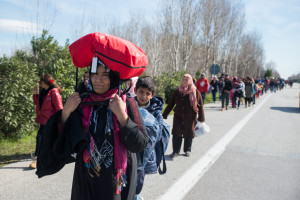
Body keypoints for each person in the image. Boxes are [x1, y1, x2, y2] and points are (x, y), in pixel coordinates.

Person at [36, 61, 149, 200]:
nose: (98, 80)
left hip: (115, 180)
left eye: (105, 75)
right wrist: (65, 112)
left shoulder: (126, 102)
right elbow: (64, 140)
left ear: (114, 78)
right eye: (94, 74)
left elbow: (140, 144)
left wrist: (122, 116)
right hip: (85, 178)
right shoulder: (82, 102)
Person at [133, 76, 165, 200]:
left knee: (139, 177)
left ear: (153, 95)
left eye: (148, 93)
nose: (144, 96)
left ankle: (135, 195)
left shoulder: (156, 112)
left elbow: (157, 134)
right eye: (141, 92)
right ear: (135, 90)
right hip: (128, 148)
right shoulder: (128, 105)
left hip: (145, 152)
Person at [163, 74, 205, 158]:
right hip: (178, 116)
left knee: (189, 133)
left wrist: (201, 118)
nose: (184, 81)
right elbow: (171, 103)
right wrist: (164, 114)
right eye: (183, 80)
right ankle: (175, 151)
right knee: (176, 133)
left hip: (190, 117)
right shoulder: (178, 91)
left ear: (190, 81)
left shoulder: (196, 92)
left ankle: (187, 150)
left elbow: (200, 106)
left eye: (186, 80)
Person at [30, 74, 63, 169]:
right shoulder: (43, 91)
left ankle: (38, 159)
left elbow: (59, 108)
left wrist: (59, 122)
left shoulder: (54, 93)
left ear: (44, 82)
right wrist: (35, 94)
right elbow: (38, 104)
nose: (39, 83)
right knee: (41, 139)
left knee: (43, 139)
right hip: (43, 120)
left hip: (51, 122)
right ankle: (40, 158)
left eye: (41, 81)